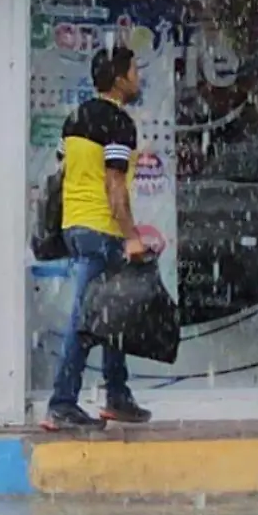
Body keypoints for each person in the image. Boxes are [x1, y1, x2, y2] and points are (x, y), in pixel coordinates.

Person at [43, 46, 154, 430]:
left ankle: (118, 396)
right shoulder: (118, 123)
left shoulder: (75, 119)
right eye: (135, 70)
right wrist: (132, 236)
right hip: (101, 228)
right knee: (88, 319)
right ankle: (62, 403)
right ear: (120, 79)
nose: (138, 78)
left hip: (75, 226)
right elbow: (114, 186)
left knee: (113, 313)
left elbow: (62, 171)